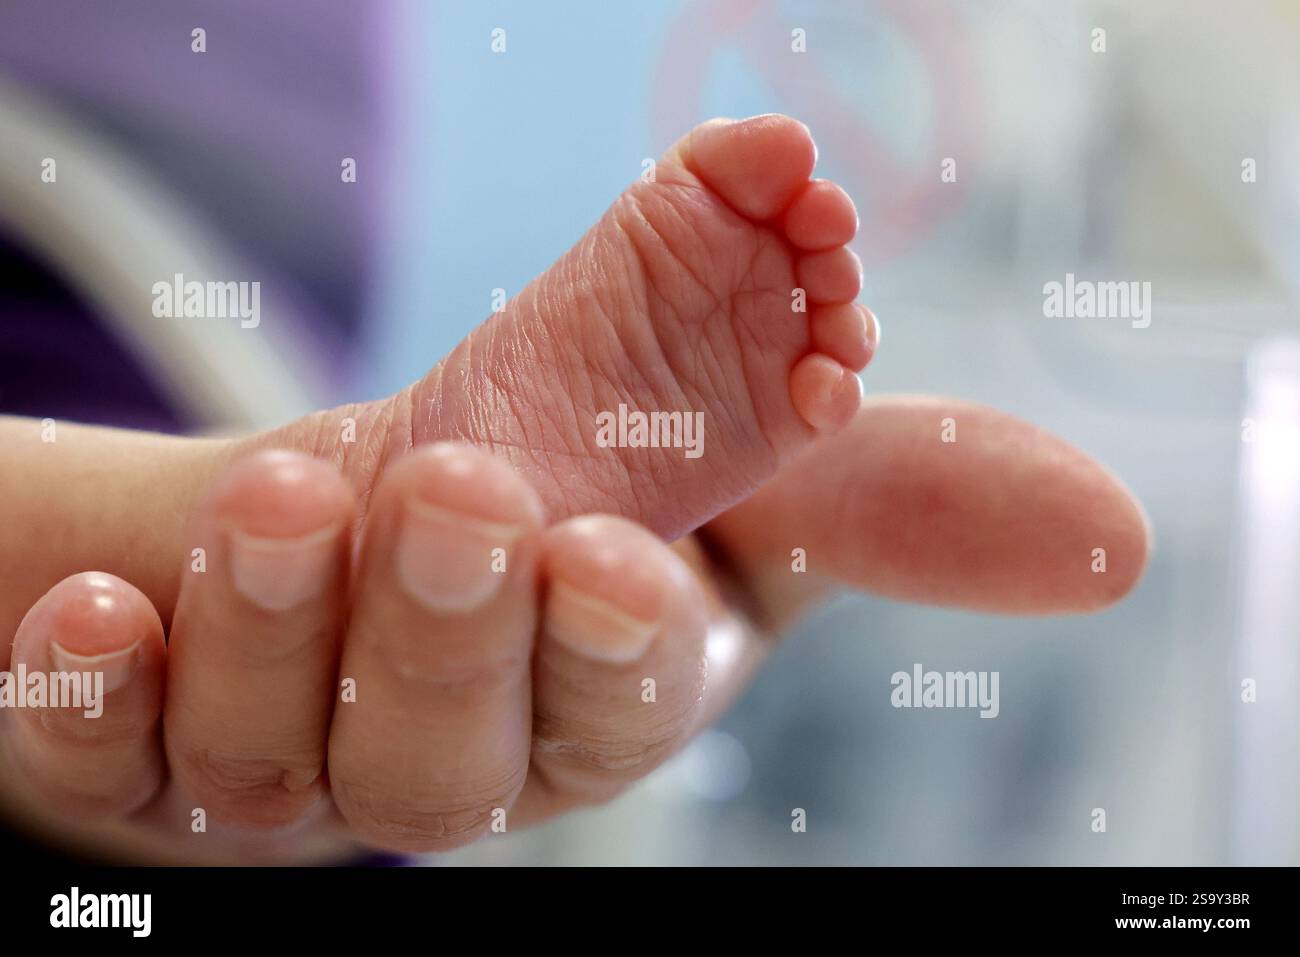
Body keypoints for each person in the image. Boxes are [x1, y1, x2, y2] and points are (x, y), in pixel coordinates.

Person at [0, 116, 1149, 863]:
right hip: (163, 272)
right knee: (267, 687)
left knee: (254, 674)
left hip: (141, 228)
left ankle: (330, 530)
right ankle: (675, 549)